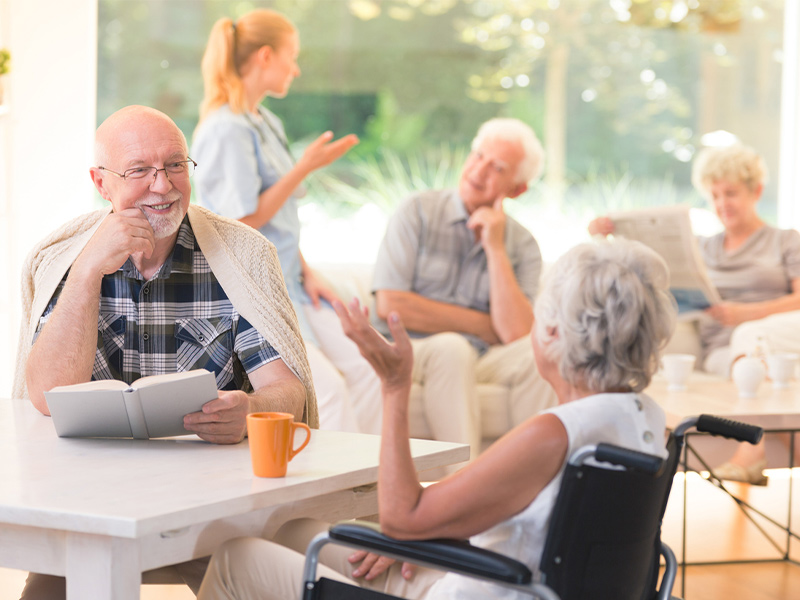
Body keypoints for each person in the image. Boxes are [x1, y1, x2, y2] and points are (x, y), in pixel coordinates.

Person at [194, 238, 677, 600]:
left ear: (551, 332)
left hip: (482, 589)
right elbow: (525, 516)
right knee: (289, 531)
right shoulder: (644, 422)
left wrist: (395, 385)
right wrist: (419, 534)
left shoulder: (553, 433)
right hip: (508, 578)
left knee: (237, 557)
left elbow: (403, 517)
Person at [12, 105, 316, 598]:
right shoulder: (62, 259)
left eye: (175, 164)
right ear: (100, 181)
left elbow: (289, 392)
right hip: (89, 499)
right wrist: (89, 272)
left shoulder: (241, 255)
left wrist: (253, 411)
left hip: (211, 505)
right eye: (139, 171)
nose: (162, 185)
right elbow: (47, 395)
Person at [192, 8, 375, 432]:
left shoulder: (264, 120)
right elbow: (241, 224)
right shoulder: (225, 129)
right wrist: (304, 166)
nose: (296, 68)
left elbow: (283, 221)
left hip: (291, 279)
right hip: (258, 289)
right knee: (325, 390)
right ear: (265, 56)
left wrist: (308, 272)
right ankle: (331, 488)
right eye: (292, 56)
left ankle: (370, 485)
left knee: (368, 367)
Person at [589, 142, 800, 485]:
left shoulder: (785, 240)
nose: (721, 204)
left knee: (752, 341)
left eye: (730, 193)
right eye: (714, 196)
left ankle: (751, 452)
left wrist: (746, 313)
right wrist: (611, 235)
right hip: (721, 351)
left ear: (756, 191)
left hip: (777, 337)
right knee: (765, 372)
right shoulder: (703, 248)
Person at [368, 117, 557, 461]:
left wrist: (495, 248)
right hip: (413, 350)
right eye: (478, 155)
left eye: (497, 167)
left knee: (542, 351)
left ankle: (534, 484)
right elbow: (391, 305)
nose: (479, 170)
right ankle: (464, 488)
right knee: (452, 349)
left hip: (481, 357)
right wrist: (483, 325)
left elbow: (516, 334)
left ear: (517, 189)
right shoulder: (418, 211)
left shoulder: (523, 244)